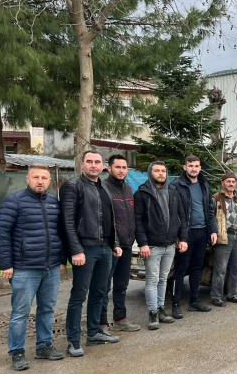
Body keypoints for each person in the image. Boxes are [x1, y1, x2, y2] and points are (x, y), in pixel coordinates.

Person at [0, 164, 66, 370]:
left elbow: (61, 233)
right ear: (27, 179)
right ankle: (17, 351)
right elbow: (1, 233)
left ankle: (44, 346)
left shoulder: (54, 203)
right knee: (21, 312)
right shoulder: (14, 202)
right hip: (24, 268)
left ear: (50, 181)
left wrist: (62, 260)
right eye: (36, 177)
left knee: (47, 309)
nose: (40, 181)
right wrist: (6, 264)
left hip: (51, 268)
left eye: (44, 178)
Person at [61, 150, 122, 357]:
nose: (94, 165)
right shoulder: (73, 186)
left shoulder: (104, 187)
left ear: (103, 166)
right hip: (85, 249)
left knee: (100, 293)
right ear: (82, 164)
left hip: (105, 248)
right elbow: (67, 222)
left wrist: (114, 243)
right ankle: (73, 339)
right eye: (89, 161)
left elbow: (109, 219)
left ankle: (94, 333)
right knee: (79, 295)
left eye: (97, 162)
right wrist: (76, 250)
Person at [134, 161, 188, 329]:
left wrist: (183, 238)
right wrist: (143, 243)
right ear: (150, 173)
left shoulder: (173, 191)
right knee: (152, 279)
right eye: (156, 171)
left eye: (163, 171)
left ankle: (161, 309)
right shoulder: (142, 193)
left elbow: (181, 216)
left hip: (170, 244)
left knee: (163, 279)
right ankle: (152, 313)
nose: (160, 174)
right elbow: (138, 221)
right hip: (152, 245)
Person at [172, 155, 218, 316]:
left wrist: (213, 230)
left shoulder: (204, 184)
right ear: (185, 167)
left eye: (196, 166)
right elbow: (174, 213)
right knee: (180, 269)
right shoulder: (176, 186)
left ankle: (194, 301)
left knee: (196, 268)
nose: (193, 169)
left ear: (200, 168)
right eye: (190, 166)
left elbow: (209, 210)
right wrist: (179, 236)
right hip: (186, 233)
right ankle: (175, 304)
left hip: (202, 232)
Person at [101, 154, 140, 332]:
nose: (121, 170)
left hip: (126, 244)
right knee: (103, 286)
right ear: (109, 168)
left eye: (124, 168)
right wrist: (112, 242)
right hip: (110, 246)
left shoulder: (128, 188)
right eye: (118, 167)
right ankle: (101, 323)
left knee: (122, 285)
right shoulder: (103, 188)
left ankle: (120, 319)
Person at [211, 171, 237, 305]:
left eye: (233, 181)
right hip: (223, 237)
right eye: (228, 181)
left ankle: (232, 294)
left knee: (236, 268)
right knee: (220, 269)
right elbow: (211, 218)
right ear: (223, 183)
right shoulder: (216, 198)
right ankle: (216, 297)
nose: (231, 184)